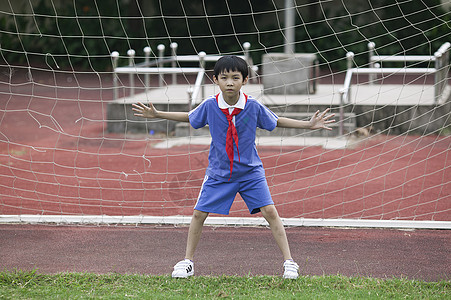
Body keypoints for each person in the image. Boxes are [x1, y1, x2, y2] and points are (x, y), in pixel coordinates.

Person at [132, 55, 335, 279]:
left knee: (270, 212)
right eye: (224, 77)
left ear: (245, 80)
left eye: (235, 77)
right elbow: (189, 118)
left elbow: (276, 121)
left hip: (250, 172)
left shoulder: (253, 106)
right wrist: (157, 114)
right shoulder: (210, 105)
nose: (230, 82)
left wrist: (308, 124)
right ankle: (187, 262)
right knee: (199, 214)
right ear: (215, 80)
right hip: (219, 173)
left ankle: (289, 262)